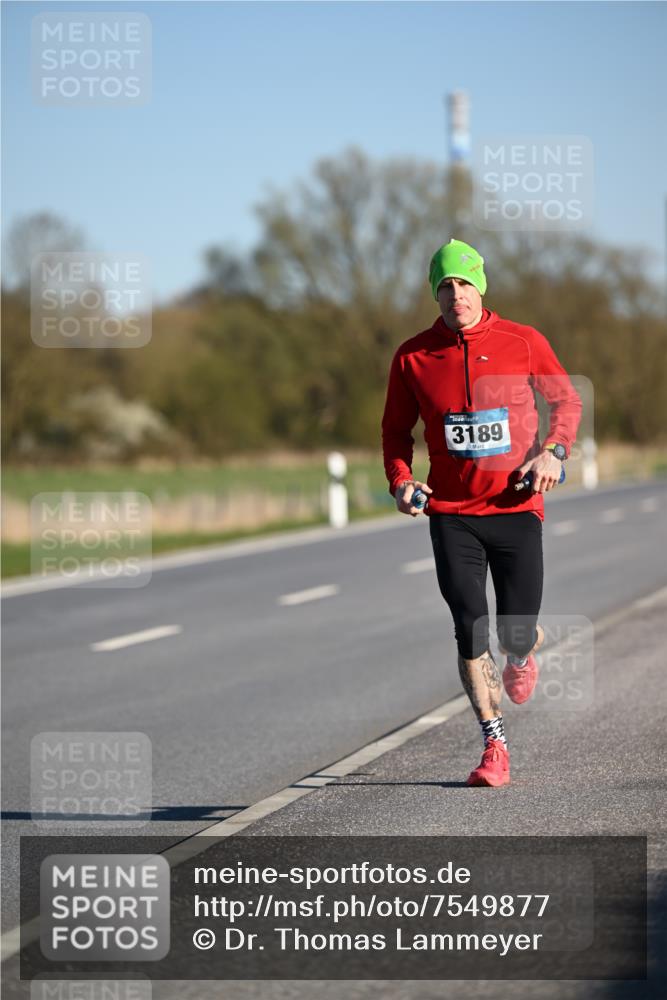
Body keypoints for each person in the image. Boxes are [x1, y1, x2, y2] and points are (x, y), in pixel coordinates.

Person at [381, 238, 582, 787]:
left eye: (465, 283)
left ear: (481, 287)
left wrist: (554, 452)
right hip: (452, 513)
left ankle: (522, 652)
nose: (456, 294)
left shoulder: (523, 340)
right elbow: (396, 432)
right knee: (469, 625)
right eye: (445, 285)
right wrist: (401, 481)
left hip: (517, 504)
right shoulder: (412, 355)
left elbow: (567, 401)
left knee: (515, 631)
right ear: (435, 293)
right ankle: (494, 746)